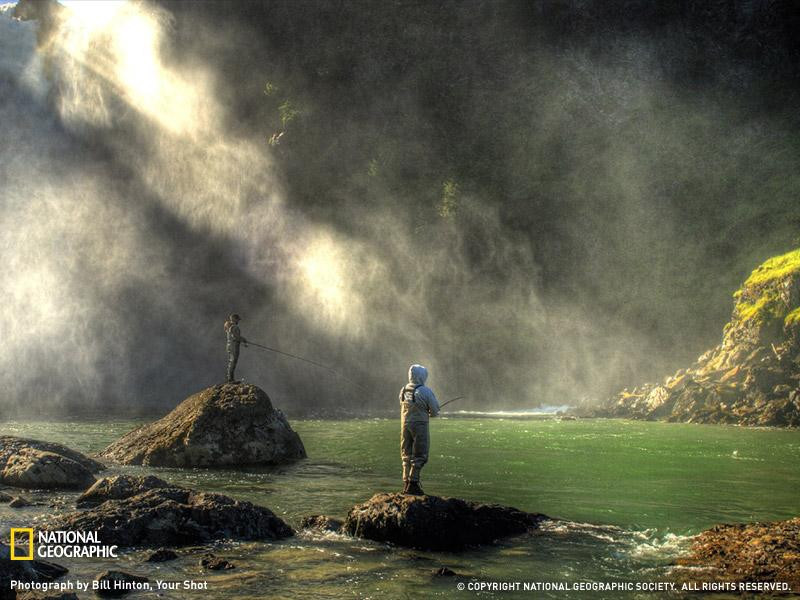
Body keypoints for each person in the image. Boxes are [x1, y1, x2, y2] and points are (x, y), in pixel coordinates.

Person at [399, 364, 440, 495]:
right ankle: (413, 484)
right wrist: (431, 412)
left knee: (406, 454)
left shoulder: (403, 390)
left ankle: (406, 483)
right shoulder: (425, 391)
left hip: (405, 424)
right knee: (420, 455)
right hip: (420, 425)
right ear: (422, 376)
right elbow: (434, 411)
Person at [224, 313, 248, 383]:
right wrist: (244, 340)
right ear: (234, 319)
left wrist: (242, 341)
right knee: (233, 362)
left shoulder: (229, 326)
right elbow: (236, 337)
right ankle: (230, 379)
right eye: (237, 319)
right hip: (234, 346)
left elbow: (233, 337)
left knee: (231, 362)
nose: (238, 321)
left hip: (229, 346)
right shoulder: (234, 327)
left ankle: (230, 378)